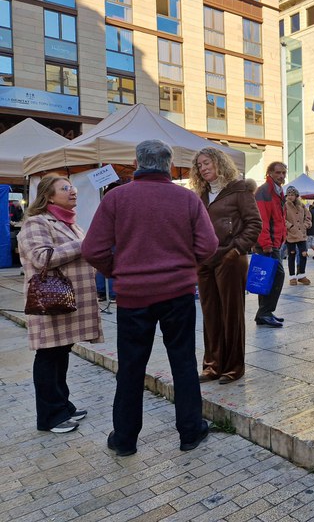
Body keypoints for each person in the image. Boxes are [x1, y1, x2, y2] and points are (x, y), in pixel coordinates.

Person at [82, 140, 218, 456]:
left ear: (137, 163)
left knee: (130, 366)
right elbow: (209, 246)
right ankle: (190, 431)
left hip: (132, 297)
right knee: (183, 361)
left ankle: (125, 439)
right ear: (168, 164)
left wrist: (118, 270)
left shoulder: (116, 198)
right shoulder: (187, 199)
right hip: (178, 294)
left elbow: (92, 249)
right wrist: (185, 266)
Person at [18, 176, 104, 434]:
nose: (73, 191)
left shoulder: (70, 223)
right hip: (50, 302)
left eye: (73, 187)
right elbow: (42, 257)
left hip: (66, 302)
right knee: (48, 357)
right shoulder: (37, 222)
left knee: (60, 355)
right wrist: (83, 244)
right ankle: (50, 417)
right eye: (65, 188)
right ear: (49, 196)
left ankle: (63, 406)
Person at [190, 147, 262, 385]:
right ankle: (212, 365)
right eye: (199, 165)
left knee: (231, 315)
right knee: (210, 315)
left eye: (207, 162)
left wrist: (236, 249)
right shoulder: (199, 195)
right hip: (205, 260)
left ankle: (233, 367)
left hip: (230, 258)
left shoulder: (239, 190)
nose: (203, 168)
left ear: (220, 163)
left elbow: (254, 223)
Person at [253, 161, 288, 327]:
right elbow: (262, 220)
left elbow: (279, 218)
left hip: (274, 242)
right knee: (277, 275)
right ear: (270, 173)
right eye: (278, 173)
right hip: (268, 243)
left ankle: (264, 313)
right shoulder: (265, 191)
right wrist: (266, 243)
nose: (281, 176)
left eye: (283, 173)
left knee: (267, 276)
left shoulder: (277, 191)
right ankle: (265, 312)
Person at [284, 185, 312, 285]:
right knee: (291, 255)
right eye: (288, 194)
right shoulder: (284, 206)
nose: (290, 196)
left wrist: (306, 225)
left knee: (304, 254)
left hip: (302, 234)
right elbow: (281, 219)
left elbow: (308, 216)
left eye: (292, 194)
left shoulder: (302, 206)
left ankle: (301, 275)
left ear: (296, 195)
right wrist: (290, 226)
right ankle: (292, 277)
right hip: (291, 234)